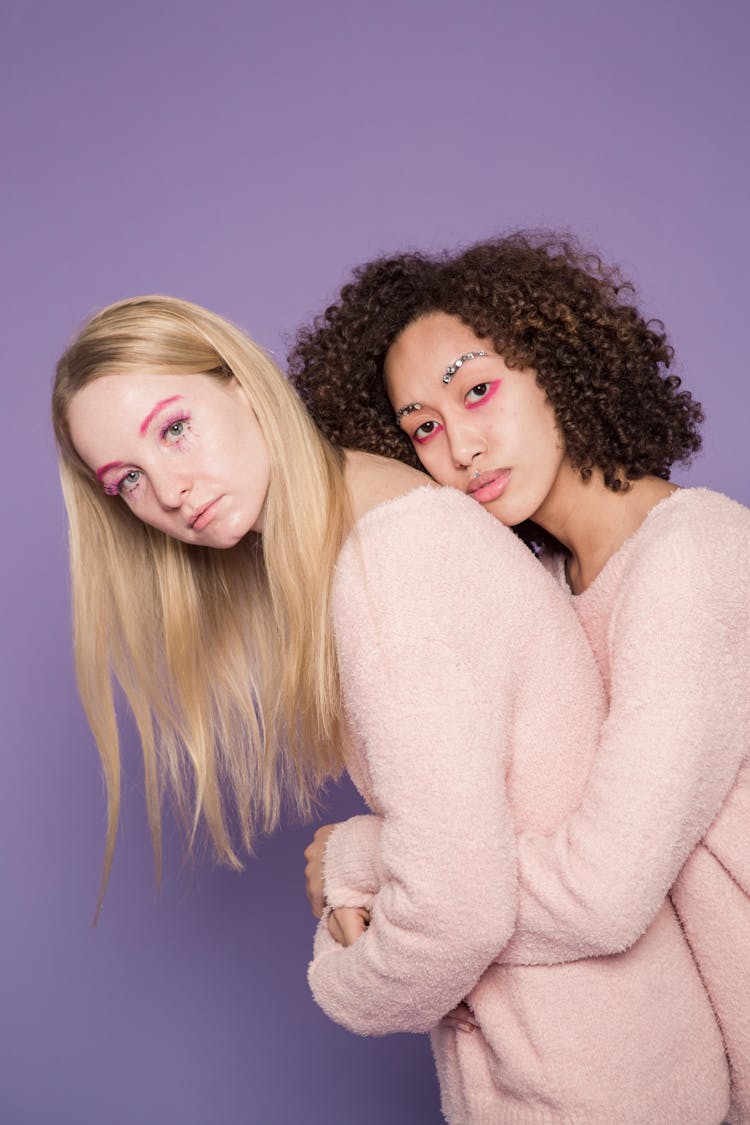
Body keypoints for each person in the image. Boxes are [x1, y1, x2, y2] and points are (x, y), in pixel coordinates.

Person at [53, 294, 730, 1125]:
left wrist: (348, 944)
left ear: (242, 384)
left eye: (174, 427)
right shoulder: (442, 546)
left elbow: (468, 906)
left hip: (584, 1082)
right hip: (600, 1059)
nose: (168, 489)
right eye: (125, 480)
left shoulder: (395, 561)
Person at [290, 232, 750, 1123]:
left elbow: (605, 887)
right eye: (422, 425)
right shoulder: (540, 589)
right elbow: (489, 835)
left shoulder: (697, 555)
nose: (457, 444)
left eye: (478, 389)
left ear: (563, 365)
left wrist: (367, 859)